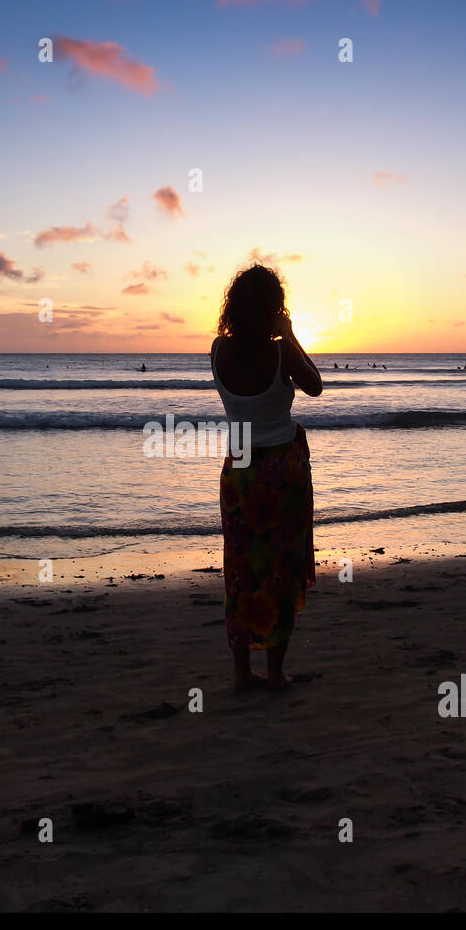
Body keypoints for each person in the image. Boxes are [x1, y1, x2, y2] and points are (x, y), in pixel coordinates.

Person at [210, 264, 322, 690]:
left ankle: (241, 674)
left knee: (240, 570)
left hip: (238, 470)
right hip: (280, 469)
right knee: (281, 568)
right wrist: (289, 335)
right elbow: (314, 386)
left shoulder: (219, 350)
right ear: (274, 307)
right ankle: (275, 674)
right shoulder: (280, 352)